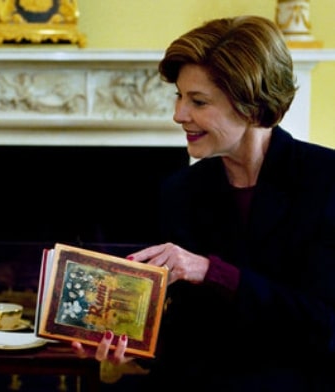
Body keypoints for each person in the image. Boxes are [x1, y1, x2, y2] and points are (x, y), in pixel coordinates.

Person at [72, 15, 335, 391]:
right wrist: (131, 344)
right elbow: (188, 336)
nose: (179, 114)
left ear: (250, 104)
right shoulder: (180, 192)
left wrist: (212, 272)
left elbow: (325, 327)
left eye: (198, 101)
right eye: (179, 95)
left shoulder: (326, 181)